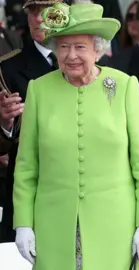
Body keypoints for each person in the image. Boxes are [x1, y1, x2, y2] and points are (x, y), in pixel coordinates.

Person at [11, 3, 139, 269]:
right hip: (52, 225)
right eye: (64, 47)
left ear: (97, 50)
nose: (71, 56)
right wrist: (23, 224)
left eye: (80, 47)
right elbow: (26, 166)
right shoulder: (39, 90)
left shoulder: (124, 86)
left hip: (115, 225)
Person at [0, 0, 73, 244]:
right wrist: (4, 122)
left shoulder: (90, 63)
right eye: (33, 11)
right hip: (29, 186)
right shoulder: (8, 67)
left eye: (47, 10)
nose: (39, 18)